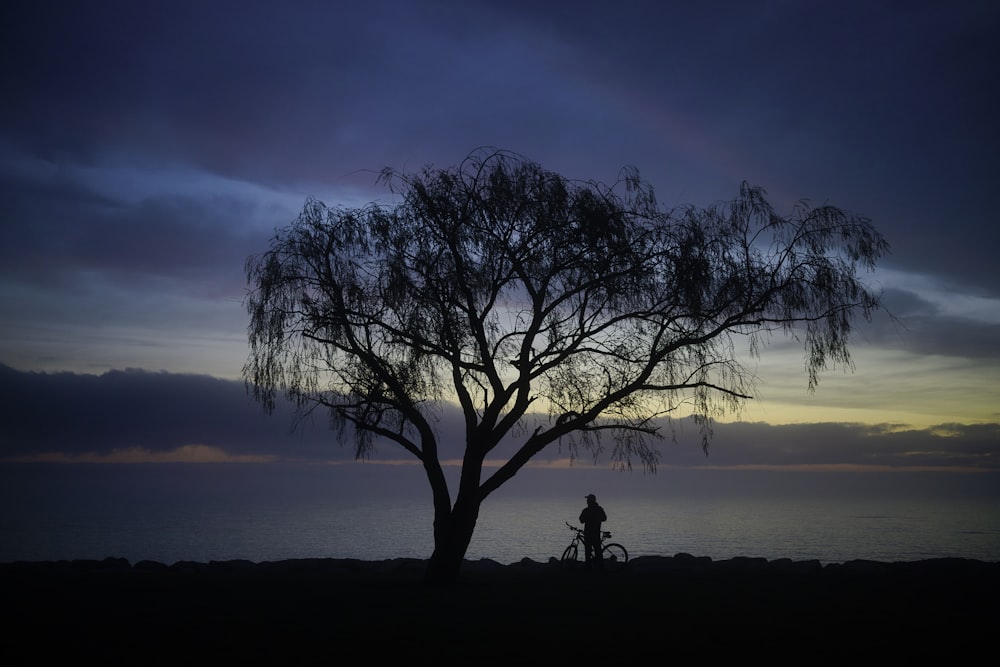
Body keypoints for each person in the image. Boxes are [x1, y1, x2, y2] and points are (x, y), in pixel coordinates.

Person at [579, 493, 607, 569]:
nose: (587, 501)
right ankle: (600, 567)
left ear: (590, 501)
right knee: (598, 551)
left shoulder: (586, 510)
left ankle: (589, 568)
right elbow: (604, 518)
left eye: (588, 500)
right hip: (596, 533)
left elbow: (581, 520)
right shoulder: (599, 509)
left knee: (588, 552)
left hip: (588, 534)